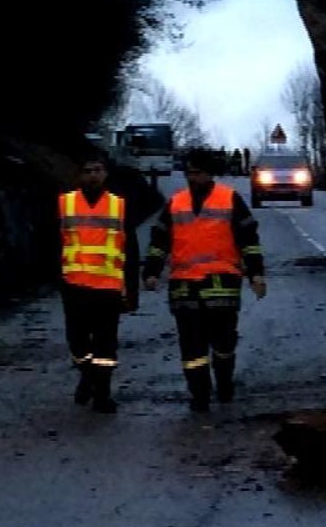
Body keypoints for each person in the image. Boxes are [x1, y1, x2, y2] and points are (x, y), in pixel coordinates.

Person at [143, 147, 267, 412]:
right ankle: (199, 395)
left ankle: (224, 382)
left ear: (209, 173)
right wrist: (151, 271)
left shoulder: (229, 199)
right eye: (188, 172)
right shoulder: (176, 203)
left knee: (223, 342)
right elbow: (159, 240)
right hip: (184, 286)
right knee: (191, 346)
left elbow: (249, 239)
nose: (191, 177)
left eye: (197, 173)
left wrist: (256, 273)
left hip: (221, 285)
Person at [57, 148, 141, 413]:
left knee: (105, 345)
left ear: (105, 173)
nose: (93, 176)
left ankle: (102, 395)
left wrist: (132, 292)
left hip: (108, 289)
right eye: (87, 171)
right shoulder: (65, 203)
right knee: (78, 343)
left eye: (97, 170)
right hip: (75, 287)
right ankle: (88, 376)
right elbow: (51, 244)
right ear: (80, 175)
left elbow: (131, 251)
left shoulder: (119, 206)